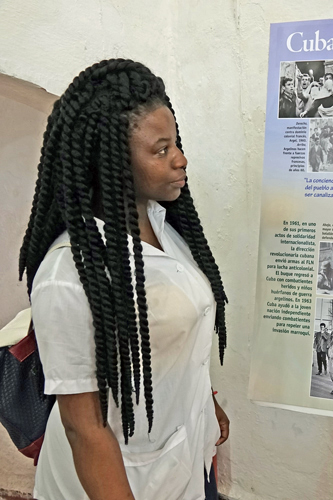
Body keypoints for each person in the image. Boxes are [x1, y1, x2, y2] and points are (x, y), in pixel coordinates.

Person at [22, 60, 229, 500]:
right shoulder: (68, 276)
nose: (180, 159)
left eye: (176, 143)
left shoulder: (164, 225)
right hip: (124, 481)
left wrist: (205, 403)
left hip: (186, 455)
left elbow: (169, 339)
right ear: (110, 160)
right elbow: (85, 429)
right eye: (161, 150)